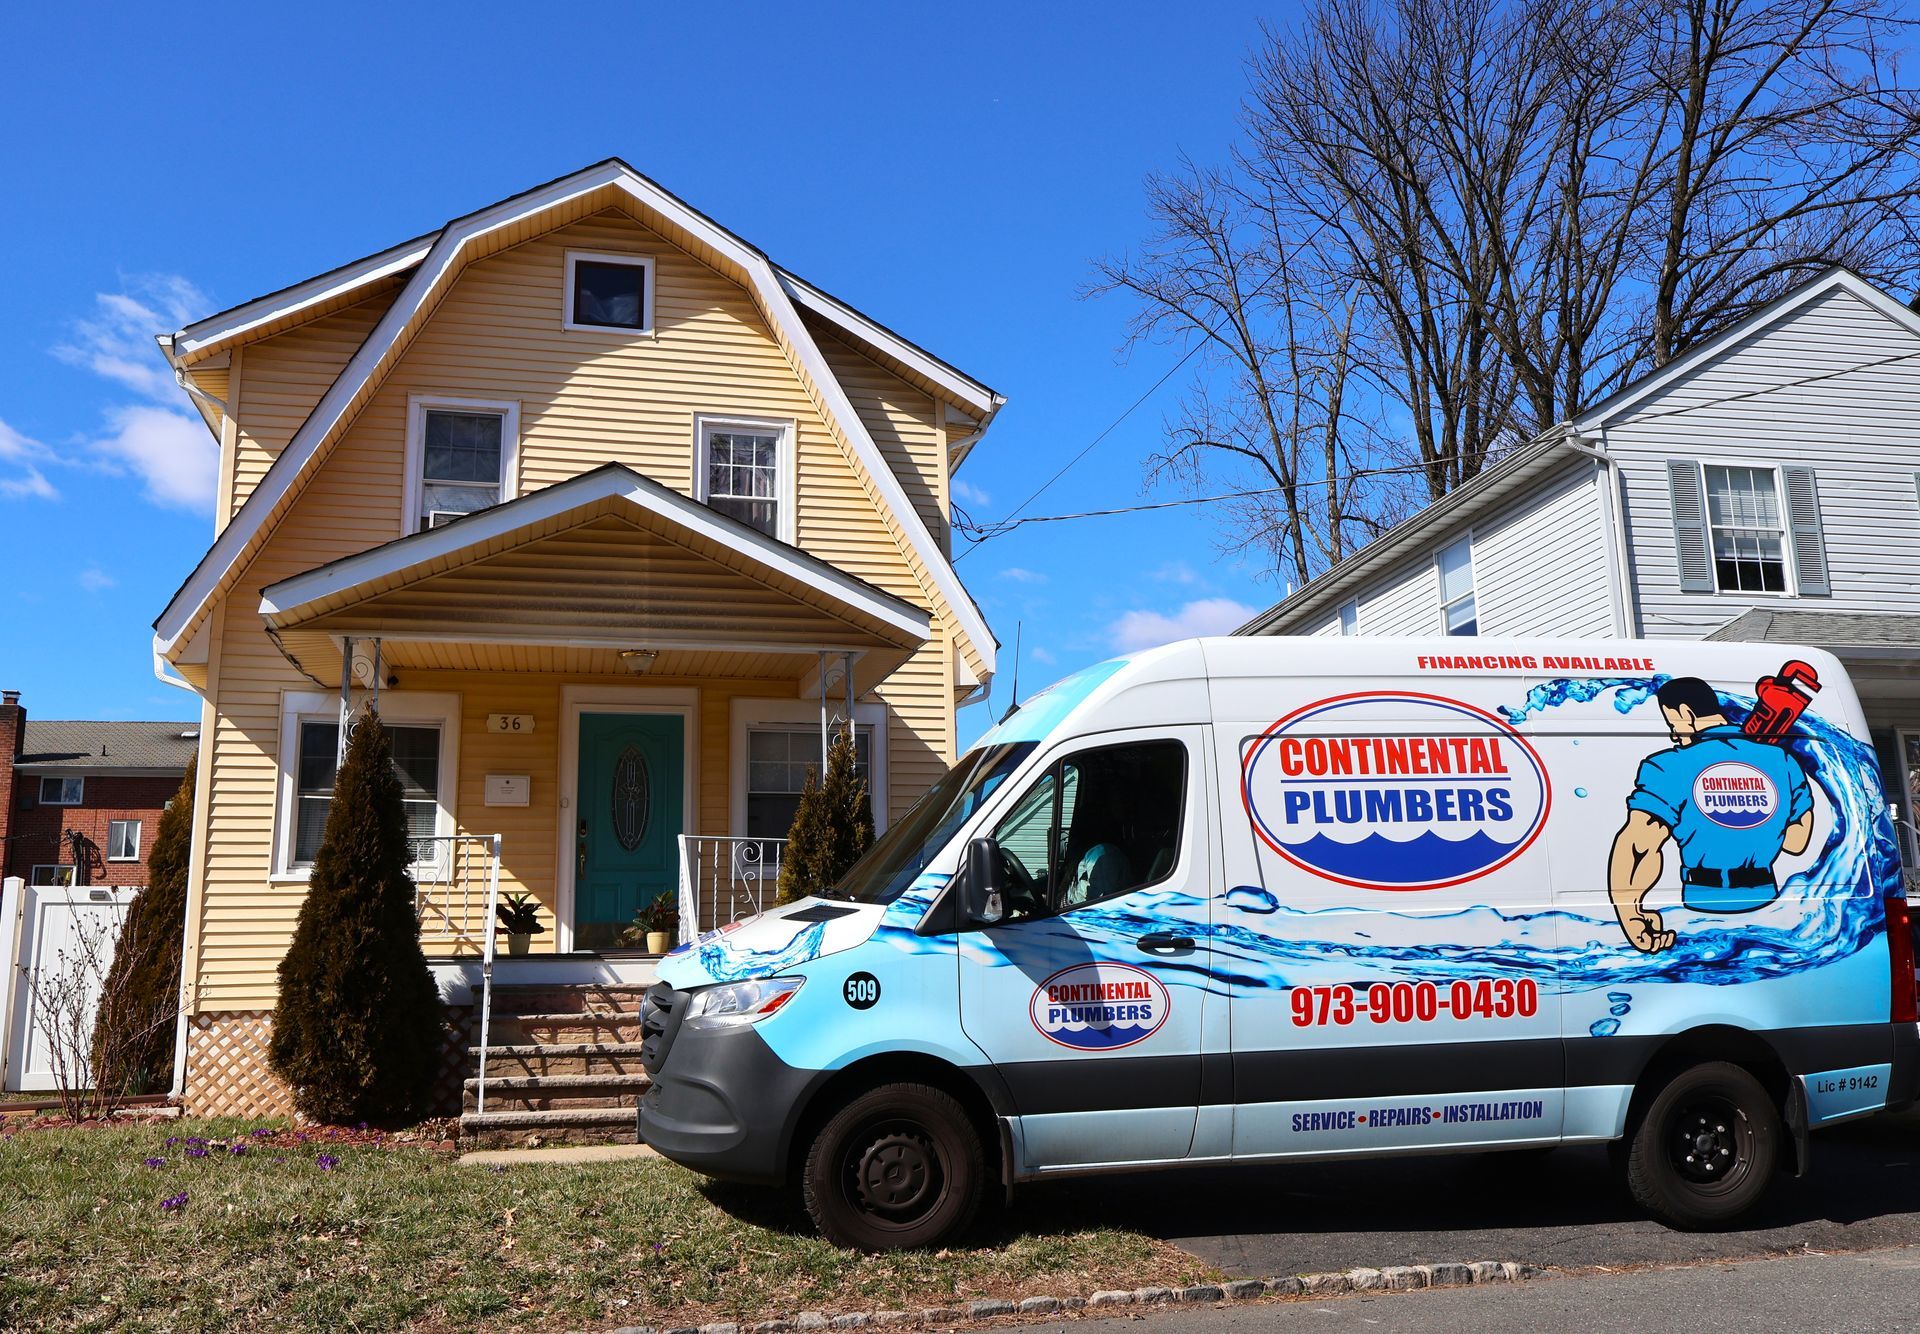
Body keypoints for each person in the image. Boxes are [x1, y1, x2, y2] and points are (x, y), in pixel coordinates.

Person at [1608, 676, 1815, 954]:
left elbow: (1639, 846)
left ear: (1686, 713)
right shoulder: (1783, 761)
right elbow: (1796, 842)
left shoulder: (1668, 766)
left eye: (1673, 724)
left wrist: (1631, 914)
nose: (1674, 735)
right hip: (1771, 911)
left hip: (1697, 915)